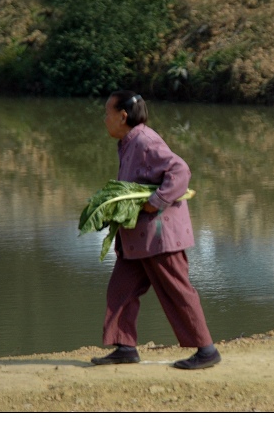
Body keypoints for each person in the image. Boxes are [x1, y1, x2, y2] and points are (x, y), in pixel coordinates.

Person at [91, 90, 221, 369]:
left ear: (122, 116)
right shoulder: (129, 141)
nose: (105, 120)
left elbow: (180, 171)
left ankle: (206, 350)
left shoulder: (144, 141)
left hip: (159, 236)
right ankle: (125, 346)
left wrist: (156, 202)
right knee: (121, 290)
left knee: (177, 290)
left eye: (107, 113)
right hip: (138, 239)